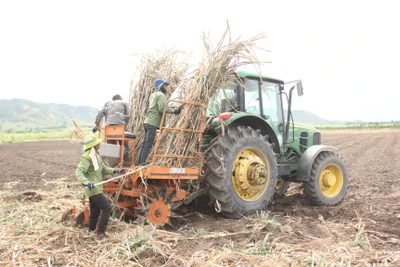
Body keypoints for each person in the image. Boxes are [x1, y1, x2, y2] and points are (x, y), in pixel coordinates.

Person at [75, 134, 127, 239]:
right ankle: (100, 232)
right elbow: (79, 172)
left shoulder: (96, 155)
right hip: (93, 189)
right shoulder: (87, 158)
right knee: (107, 208)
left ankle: (91, 229)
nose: (100, 144)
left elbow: (103, 168)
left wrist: (115, 170)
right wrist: (86, 182)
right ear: (94, 145)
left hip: (97, 188)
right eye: (98, 142)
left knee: (95, 211)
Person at [138, 78, 183, 165]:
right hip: (153, 122)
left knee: (146, 144)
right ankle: (141, 164)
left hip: (148, 121)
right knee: (148, 144)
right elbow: (162, 108)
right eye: (165, 85)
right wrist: (175, 111)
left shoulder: (153, 95)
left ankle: (141, 162)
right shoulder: (161, 95)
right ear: (161, 86)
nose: (166, 87)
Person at [93, 94, 131, 164]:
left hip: (109, 128)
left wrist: (97, 125)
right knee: (124, 144)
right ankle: (126, 162)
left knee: (111, 145)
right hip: (120, 127)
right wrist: (125, 125)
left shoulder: (107, 104)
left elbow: (99, 115)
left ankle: (111, 162)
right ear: (120, 98)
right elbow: (128, 116)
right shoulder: (123, 102)